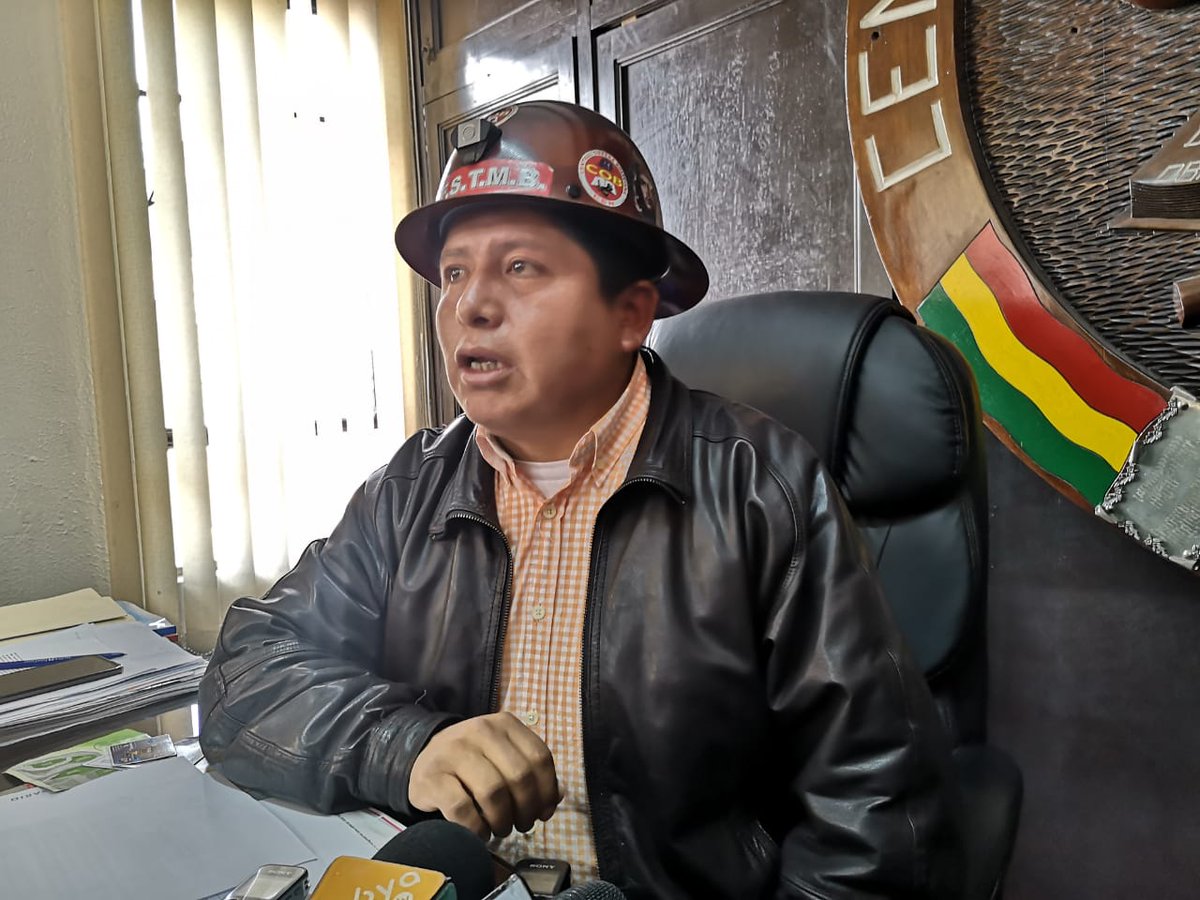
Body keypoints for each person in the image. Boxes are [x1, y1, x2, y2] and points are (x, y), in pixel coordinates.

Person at [199, 100, 962, 899]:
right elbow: (245, 674)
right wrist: (405, 748)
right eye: (454, 272)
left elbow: (877, 813)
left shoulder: (760, 490)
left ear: (630, 313)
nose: (469, 305)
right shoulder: (410, 490)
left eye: (520, 268)